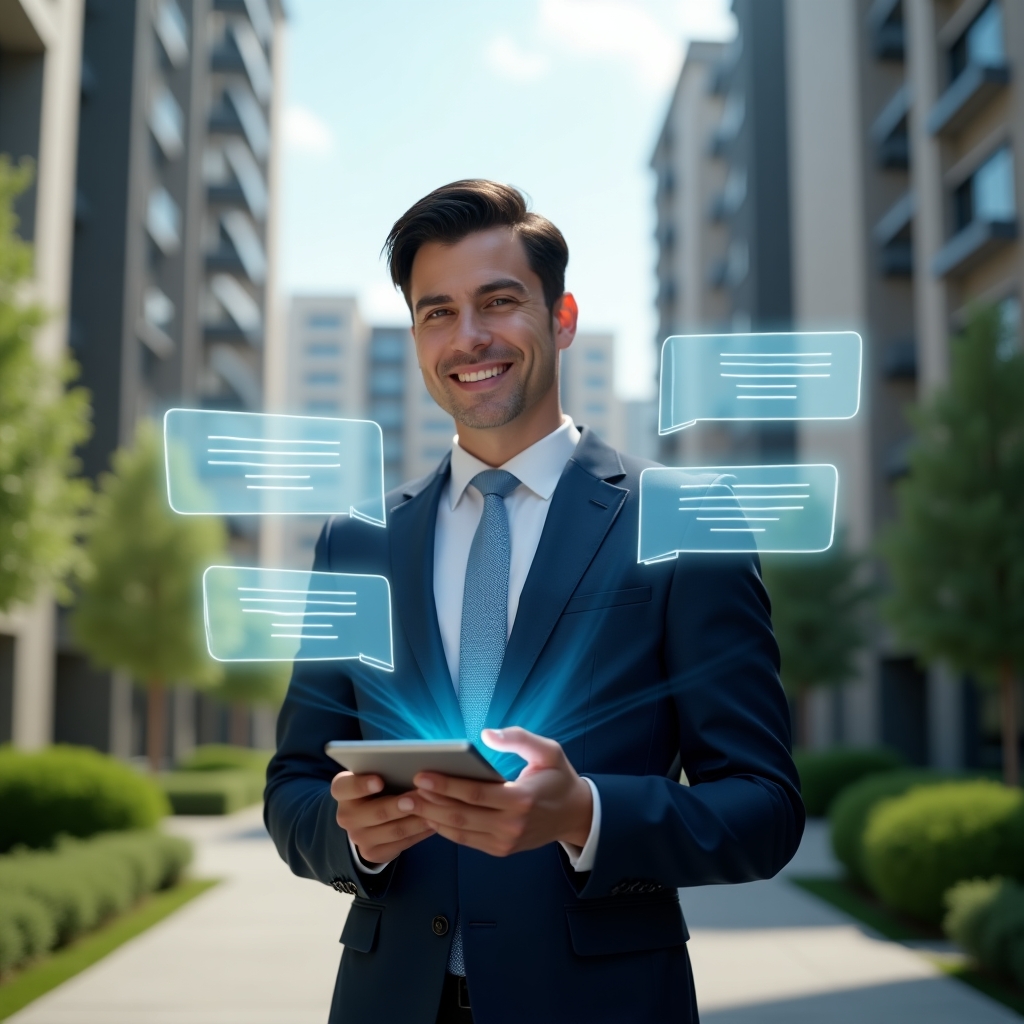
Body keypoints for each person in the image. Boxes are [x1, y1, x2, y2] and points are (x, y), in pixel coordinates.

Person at [265, 180, 804, 1024]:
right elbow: (294, 784)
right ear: (415, 337)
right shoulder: (355, 542)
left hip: (601, 999)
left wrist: (584, 812)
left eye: (499, 301)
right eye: (436, 311)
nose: (468, 336)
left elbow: (763, 809)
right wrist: (355, 841)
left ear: (562, 317)